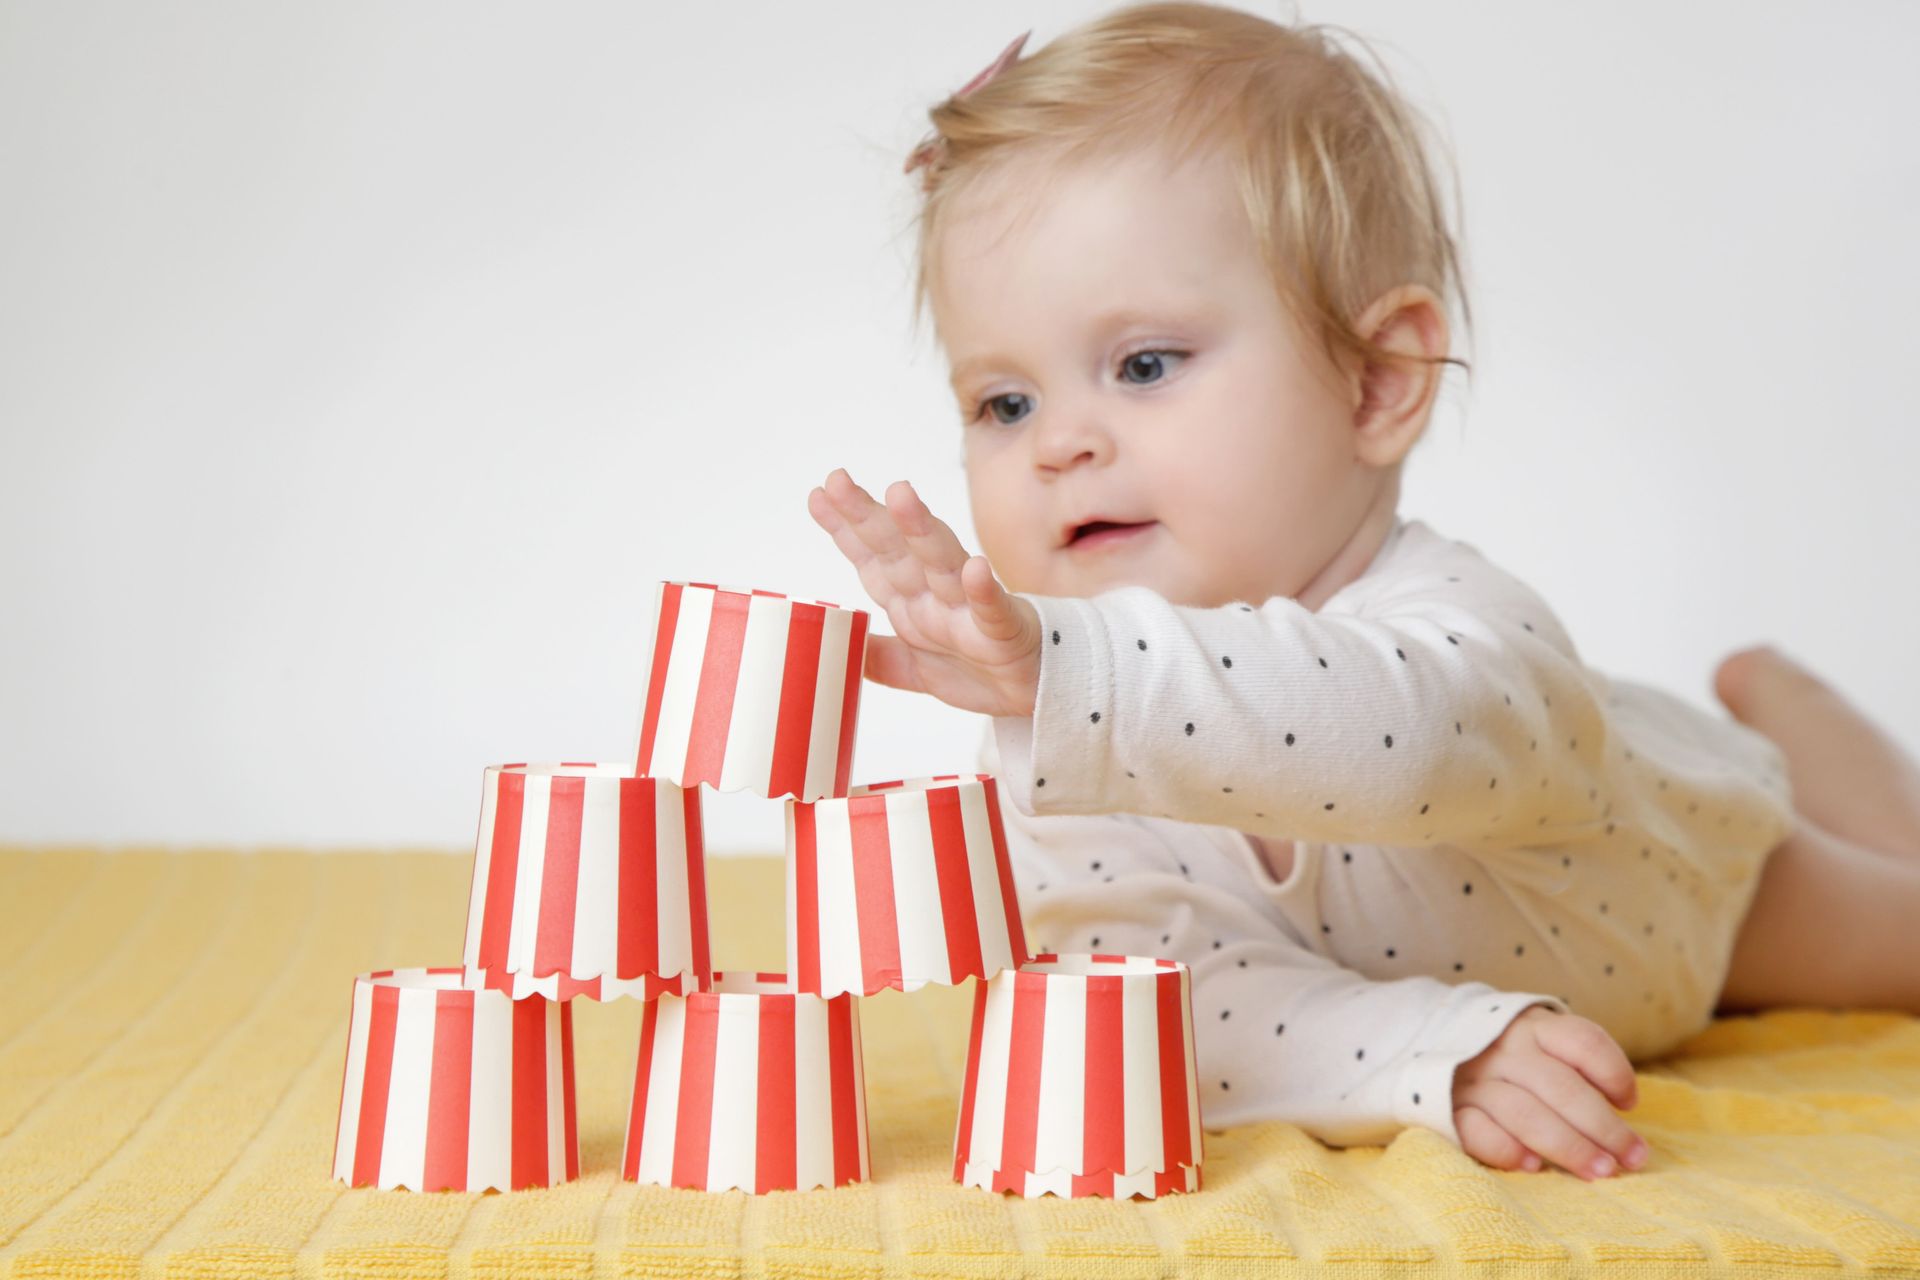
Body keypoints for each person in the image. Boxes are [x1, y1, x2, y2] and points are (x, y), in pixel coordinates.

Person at [806, 1, 1920, 1184]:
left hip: (1691, 888)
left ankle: (1778, 703)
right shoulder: (1060, 746)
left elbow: (1411, 743)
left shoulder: (1455, 625)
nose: (1057, 444)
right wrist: (1438, 1051)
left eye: (1143, 365)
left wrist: (1083, 680)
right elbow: (1159, 1007)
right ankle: (1772, 695)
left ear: (1377, 382)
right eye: (1004, 402)